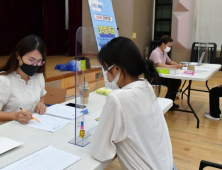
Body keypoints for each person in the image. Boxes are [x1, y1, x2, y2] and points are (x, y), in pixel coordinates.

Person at [90, 37, 176, 170]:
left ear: (117, 69)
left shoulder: (118, 98)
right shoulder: (146, 86)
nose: (106, 76)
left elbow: (101, 152)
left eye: (106, 70)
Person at [0, 35, 47, 124]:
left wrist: (41, 103)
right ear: (18, 56)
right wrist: (15, 116)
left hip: (32, 127)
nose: (34, 65)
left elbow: (42, 95)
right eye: (31, 60)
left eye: (39, 61)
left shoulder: (38, 77)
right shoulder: (4, 81)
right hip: (10, 131)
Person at [149, 35, 185, 110]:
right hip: (155, 77)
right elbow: (159, 65)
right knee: (172, 82)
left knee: (177, 81)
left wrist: (178, 64)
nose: (170, 48)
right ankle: (168, 101)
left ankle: (170, 101)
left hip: (163, 75)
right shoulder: (156, 53)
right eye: (169, 46)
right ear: (163, 44)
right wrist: (175, 67)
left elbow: (169, 62)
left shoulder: (164, 52)